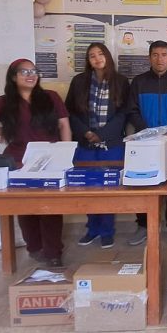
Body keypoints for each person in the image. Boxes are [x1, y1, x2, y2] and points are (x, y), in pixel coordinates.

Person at [0, 59, 70, 267]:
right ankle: (35, 248)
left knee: (51, 208)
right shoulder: (4, 102)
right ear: (14, 77)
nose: (30, 75)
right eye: (24, 71)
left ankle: (53, 253)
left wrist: (66, 153)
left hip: (50, 159)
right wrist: (5, 132)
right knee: (25, 207)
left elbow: (64, 126)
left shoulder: (51, 97)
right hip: (18, 161)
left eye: (34, 71)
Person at [65, 43, 129, 250]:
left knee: (109, 188)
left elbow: (123, 114)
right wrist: (86, 132)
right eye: (92, 56)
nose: (97, 58)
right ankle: (92, 229)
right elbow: (70, 112)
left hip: (111, 145)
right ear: (88, 61)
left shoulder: (120, 81)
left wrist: (101, 134)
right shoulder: (79, 81)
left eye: (100, 54)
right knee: (89, 188)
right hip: (85, 145)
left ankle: (107, 232)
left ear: (107, 56)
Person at [127, 40, 167, 246]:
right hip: (145, 143)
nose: (159, 59)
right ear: (149, 58)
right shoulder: (138, 82)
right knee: (142, 184)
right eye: (155, 55)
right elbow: (132, 111)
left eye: (164, 55)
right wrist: (147, 132)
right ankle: (144, 225)